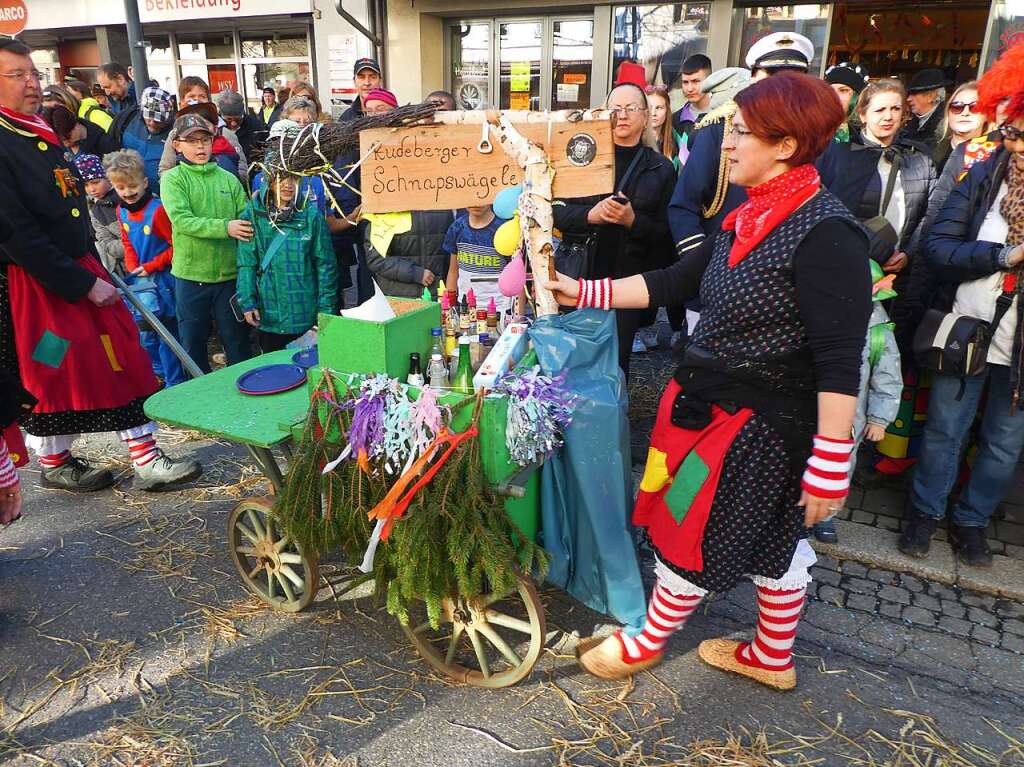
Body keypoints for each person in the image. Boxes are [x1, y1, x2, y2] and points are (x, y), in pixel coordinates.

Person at [546, 72, 870, 689]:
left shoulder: (827, 232)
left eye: (740, 133)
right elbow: (677, 279)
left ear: (786, 144)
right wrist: (583, 290)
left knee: (693, 529)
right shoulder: (750, 215)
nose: (725, 145)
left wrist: (830, 461)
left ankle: (645, 643)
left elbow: (838, 358)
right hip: (718, 412)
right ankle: (771, 658)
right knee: (772, 542)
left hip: (758, 430)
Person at [0, 38, 200, 492]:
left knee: (120, 354)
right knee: (53, 366)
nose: (31, 83)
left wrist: (93, 267)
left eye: (33, 73)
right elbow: (14, 234)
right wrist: (81, 283)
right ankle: (55, 458)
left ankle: (143, 455)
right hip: (39, 285)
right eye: (17, 76)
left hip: (75, 268)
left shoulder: (33, 129)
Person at [900, 86, 1024, 568]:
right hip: (968, 329)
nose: (1017, 148)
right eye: (1013, 135)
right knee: (945, 430)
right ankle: (925, 512)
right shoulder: (983, 178)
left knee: (1003, 441)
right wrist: (1002, 256)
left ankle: (972, 521)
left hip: (1019, 348)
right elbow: (941, 247)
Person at [553, 81, 676, 376]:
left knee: (615, 365)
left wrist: (633, 221)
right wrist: (590, 216)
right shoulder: (580, 160)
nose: (622, 115)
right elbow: (554, 213)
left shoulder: (660, 169)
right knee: (571, 359)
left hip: (625, 282)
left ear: (645, 116)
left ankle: (610, 419)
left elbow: (667, 235)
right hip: (578, 275)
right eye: (615, 109)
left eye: (631, 108)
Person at [667, 33, 814, 264]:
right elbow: (684, 204)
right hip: (720, 267)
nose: (784, 89)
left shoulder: (817, 137)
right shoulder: (720, 128)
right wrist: (703, 266)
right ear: (753, 80)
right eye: (772, 78)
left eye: (794, 79)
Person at [817, 78, 935, 351]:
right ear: (862, 114)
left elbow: (929, 215)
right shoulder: (841, 156)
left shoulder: (920, 158)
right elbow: (835, 211)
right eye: (880, 110)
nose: (888, 117)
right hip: (851, 268)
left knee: (886, 355)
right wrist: (879, 250)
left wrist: (908, 253)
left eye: (895, 109)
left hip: (900, 274)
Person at [813, 261, 903, 544]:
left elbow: (888, 376)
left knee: (839, 466)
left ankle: (825, 515)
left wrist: (879, 418)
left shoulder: (878, 331)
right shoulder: (818, 317)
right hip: (807, 408)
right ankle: (791, 510)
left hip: (849, 421)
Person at [160, 113, 252, 373]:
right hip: (191, 277)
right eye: (192, 141)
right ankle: (196, 400)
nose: (200, 146)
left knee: (237, 343)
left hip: (228, 277)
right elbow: (183, 221)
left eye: (205, 140)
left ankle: (243, 399)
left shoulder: (228, 179)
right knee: (193, 345)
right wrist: (226, 227)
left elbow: (244, 218)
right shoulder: (173, 179)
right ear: (177, 145)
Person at [104, 148, 186, 388]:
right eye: (121, 188)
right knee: (145, 333)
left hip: (164, 280)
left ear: (144, 182)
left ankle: (175, 382)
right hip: (140, 281)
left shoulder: (158, 211)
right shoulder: (121, 211)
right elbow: (127, 241)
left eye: (132, 186)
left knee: (167, 334)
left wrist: (151, 266)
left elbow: (176, 246)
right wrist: (132, 268)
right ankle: (157, 375)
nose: (127, 193)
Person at [237, 167, 338, 353]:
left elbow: (326, 266)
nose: (288, 184)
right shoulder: (253, 214)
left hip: (305, 313)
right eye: (281, 177)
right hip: (268, 314)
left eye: (293, 177)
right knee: (275, 372)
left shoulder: (311, 215)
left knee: (308, 369)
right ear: (268, 179)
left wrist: (326, 311)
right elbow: (247, 262)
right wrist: (247, 301)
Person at [158, 77, 248, 181]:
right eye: (191, 96)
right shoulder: (175, 134)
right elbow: (165, 169)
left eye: (202, 96)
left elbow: (241, 169)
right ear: (181, 102)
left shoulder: (224, 133)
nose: (197, 100)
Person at [442, 205, 510, 312]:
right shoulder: (457, 227)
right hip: (465, 307)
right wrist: (449, 305)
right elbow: (453, 271)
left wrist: (518, 314)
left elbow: (517, 275)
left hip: (500, 307)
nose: (477, 204)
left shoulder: (504, 230)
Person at [75, 153, 125, 275]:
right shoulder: (96, 211)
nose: (91, 189)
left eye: (96, 182)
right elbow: (105, 240)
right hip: (128, 263)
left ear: (108, 178)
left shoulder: (127, 195)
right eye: (86, 185)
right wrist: (130, 247)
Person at [120, 86, 174, 194]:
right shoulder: (127, 119)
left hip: (162, 195)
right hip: (131, 193)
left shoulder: (176, 133)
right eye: (149, 117)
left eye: (158, 119)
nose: (152, 122)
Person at [932, 81, 987, 174]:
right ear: (948, 114)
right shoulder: (929, 150)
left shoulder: (996, 158)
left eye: (975, 107)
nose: (965, 113)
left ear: (987, 115)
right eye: (957, 107)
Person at [671, 54, 712, 167]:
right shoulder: (675, 120)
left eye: (695, 81)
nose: (689, 88)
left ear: (709, 80)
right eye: (685, 82)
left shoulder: (723, 116)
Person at [43, 103, 118, 159]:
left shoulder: (106, 143)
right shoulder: (59, 147)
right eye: (60, 141)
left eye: (67, 138)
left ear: (75, 125)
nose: (65, 144)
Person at [900, 68, 948, 151]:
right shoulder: (917, 119)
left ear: (931, 96)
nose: (908, 99)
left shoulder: (945, 125)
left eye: (914, 94)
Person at [824, 61, 869, 144]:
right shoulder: (812, 130)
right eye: (830, 90)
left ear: (857, 96)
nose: (835, 96)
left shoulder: (869, 134)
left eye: (843, 90)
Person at [43, 82, 112, 132]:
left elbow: (115, 138)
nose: (51, 115)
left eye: (56, 109)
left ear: (67, 102)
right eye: (46, 110)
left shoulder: (92, 114)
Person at [217, 89, 262, 162]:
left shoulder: (256, 127)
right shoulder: (215, 129)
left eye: (238, 119)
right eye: (228, 119)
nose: (233, 123)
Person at [340, 58, 382, 122]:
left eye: (373, 77)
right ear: (354, 81)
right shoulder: (346, 118)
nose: (367, 83)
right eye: (361, 77)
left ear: (380, 81)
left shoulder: (393, 114)